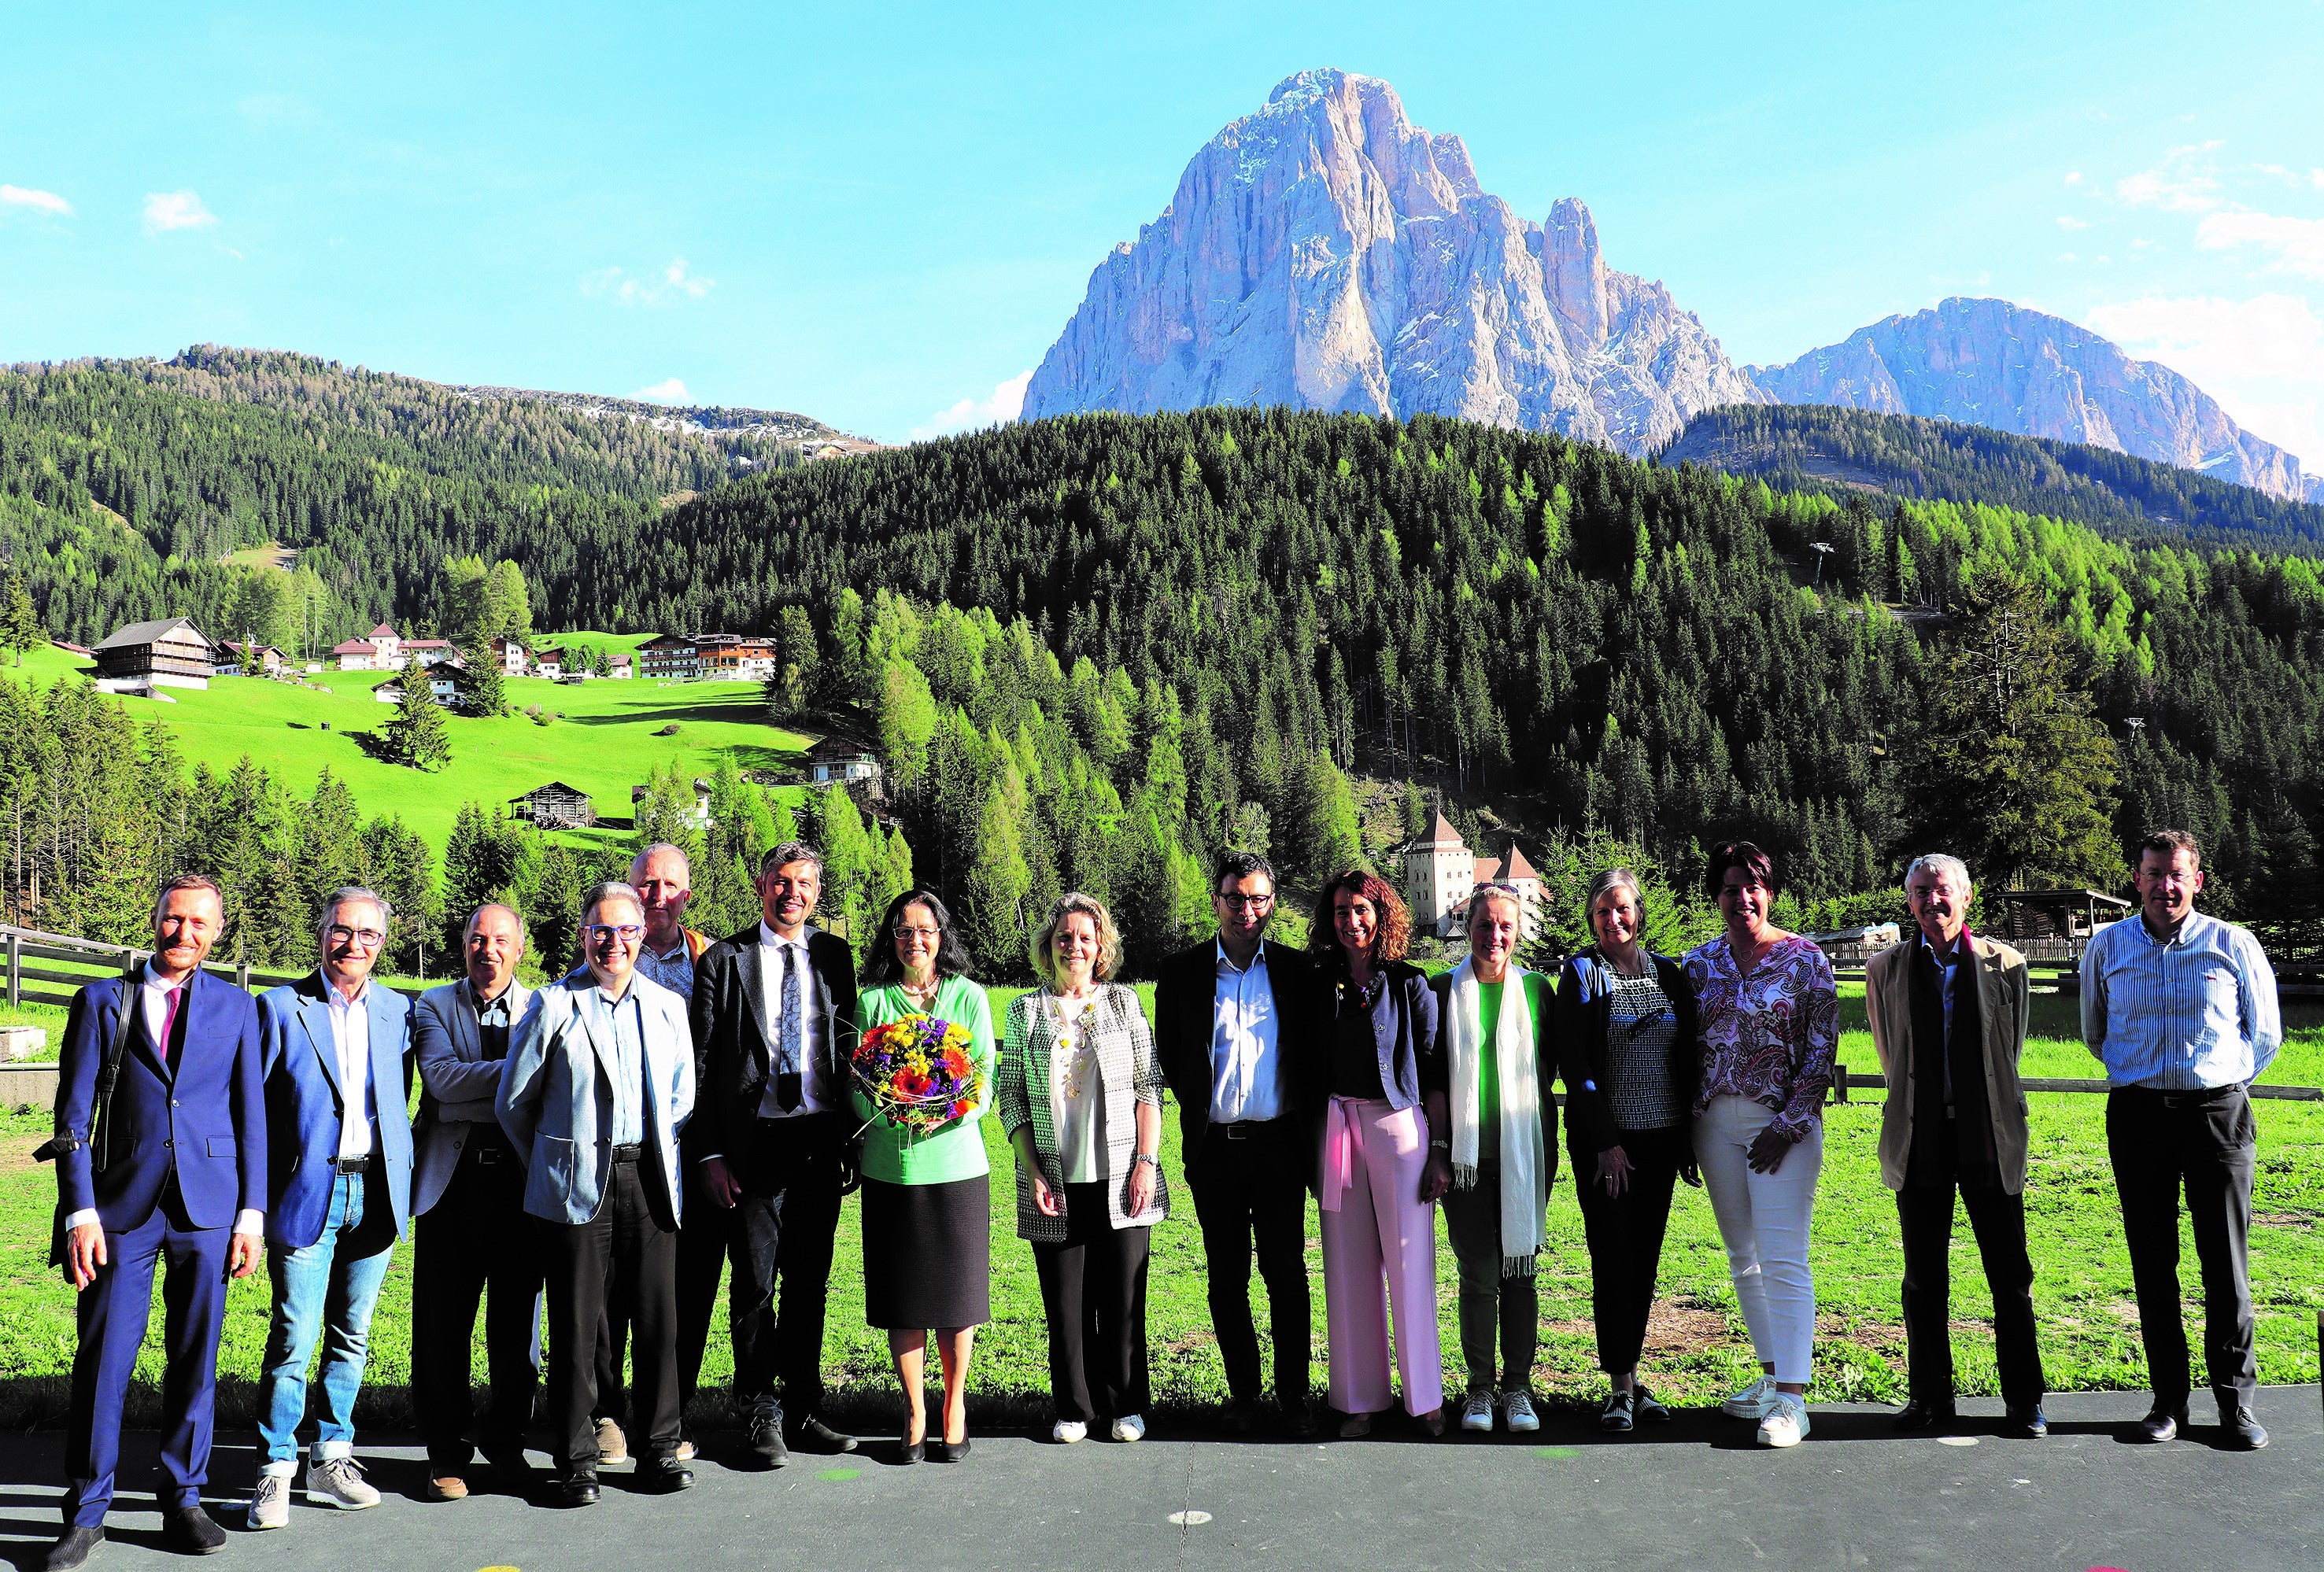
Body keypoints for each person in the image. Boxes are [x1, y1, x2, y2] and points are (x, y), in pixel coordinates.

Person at [43, 873, 264, 1570]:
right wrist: (80, 1210)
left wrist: (250, 1215)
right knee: (105, 1359)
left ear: (217, 933)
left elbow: (251, 1118)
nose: (184, 934)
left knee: (195, 1359)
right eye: (174, 919)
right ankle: (85, 1512)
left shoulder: (236, 1007)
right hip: (119, 1209)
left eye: (200, 924)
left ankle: (182, 1498)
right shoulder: (102, 1001)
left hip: (208, 1208)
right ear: (155, 918)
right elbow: (73, 1117)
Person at [498, 882, 696, 1505]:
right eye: (600, 931)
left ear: (642, 934)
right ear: (584, 935)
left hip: (651, 1180)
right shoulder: (554, 1005)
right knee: (578, 1326)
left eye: (626, 930)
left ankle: (660, 1449)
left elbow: (681, 1097)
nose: (614, 942)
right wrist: (553, 1164)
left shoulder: (667, 1006)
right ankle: (576, 1457)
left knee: (658, 1322)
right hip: (575, 1185)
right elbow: (514, 1101)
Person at [2082, 828, 2279, 1449]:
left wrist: (2218, 1084)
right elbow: (2093, 1029)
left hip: (2215, 1117)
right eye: (2152, 872)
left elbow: (2265, 1033)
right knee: (2152, 1263)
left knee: (2224, 1264)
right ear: (2135, 879)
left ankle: (2234, 1405)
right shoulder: (2106, 946)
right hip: (2138, 1116)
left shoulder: (2232, 943)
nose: (2164, 885)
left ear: (2196, 881)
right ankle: (2168, 1403)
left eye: (2176, 874)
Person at [685, 842, 860, 1465]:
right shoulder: (725, 961)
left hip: (817, 1143)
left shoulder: (835, 957)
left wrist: (853, 1139)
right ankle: (759, 1407)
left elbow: (851, 1050)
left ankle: (805, 1406)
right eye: (781, 882)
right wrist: (708, 1154)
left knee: (808, 1282)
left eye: (805, 883)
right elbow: (700, 1067)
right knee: (754, 1283)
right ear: (761, 886)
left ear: (817, 891)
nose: (793, 893)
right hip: (751, 1145)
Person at [249, 887, 416, 1527]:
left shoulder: (399, 1012)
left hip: (374, 1193)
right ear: (320, 932)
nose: (354, 945)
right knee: (294, 1337)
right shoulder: (279, 1008)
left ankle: (332, 1457)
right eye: (342, 931)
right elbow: (255, 1112)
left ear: (383, 942)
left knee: (353, 1335)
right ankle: (274, 1469)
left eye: (369, 935)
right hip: (303, 1194)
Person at [1865, 854, 2047, 1437]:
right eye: (1919, 892)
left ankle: (2024, 1403)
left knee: (2009, 1275)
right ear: (1909, 900)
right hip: (1919, 1136)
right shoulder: (1885, 969)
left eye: (1940, 891)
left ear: (1965, 897)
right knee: (1923, 1277)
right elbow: (1891, 1055)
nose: (1930, 902)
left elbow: (2007, 1054)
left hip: (1987, 1134)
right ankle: (1929, 1401)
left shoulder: (2005, 965)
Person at [1153, 851, 1317, 1437]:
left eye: (1258, 899)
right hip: (1214, 1148)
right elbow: (1172, 1056)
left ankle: (1293, 1396)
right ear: (1215, 900)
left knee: (1285, 1274)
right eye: (1234, 898)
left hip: (1279, 1148)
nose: (1246, 910)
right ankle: (1244, 1394)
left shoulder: (1299, 973)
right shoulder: (1181, 972)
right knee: (1226, 1277)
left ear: (1271, 902)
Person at [996, 893, 1168, 1445]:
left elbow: (1149, 1089)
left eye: (1086, 938)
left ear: (1102, 947)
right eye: (1064, 937)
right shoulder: (1024, 1010)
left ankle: (1125, 1405)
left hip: (1122, 1178)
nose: (1075, 946)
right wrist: (1035, 1171)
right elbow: (1013, 1100)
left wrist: (1146, 1163)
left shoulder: (1124, 1003)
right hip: (1054, 1182)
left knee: (1122, 1302)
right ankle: (1074, 1407)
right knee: (1066, 1307)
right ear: (1048, 946)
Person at [1683, 841, 1835, 1450]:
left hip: (1783, 1128)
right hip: (1713, 1125)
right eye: (1728, 887)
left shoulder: (1805, 960)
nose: (1741, 897)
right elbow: (1685, 1051)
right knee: (1742, 1257)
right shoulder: (1699, 965)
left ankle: (1793, 1403)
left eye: (1752, 885)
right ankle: (1772, 1379)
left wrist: (1788, 1124)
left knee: (1782, 1258)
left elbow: (1821, 1050)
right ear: (1714, 897)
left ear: (1768, 891)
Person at [1553, 867, 1700, 1434]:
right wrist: (1606, 1143)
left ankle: (1633, 1380)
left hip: (1660, 1143)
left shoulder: (1667, 974)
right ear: (1591, 920)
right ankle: (1618, 1388)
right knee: (1612, 1261)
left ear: (1637, 913)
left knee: (1643, 1264)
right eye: (1601, 912)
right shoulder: (1583, 974)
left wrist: (1685, 1141)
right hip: (1606, 1149)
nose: (1613, 920)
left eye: (1622, 909)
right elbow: (1576, 1066)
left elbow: (1684, 1057)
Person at [851, 889, 996, 1463]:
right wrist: (889, 1112)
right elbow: (857, 1089)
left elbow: (980, 1079)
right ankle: (913, 1408)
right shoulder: (873, 1002)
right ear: (892, 938)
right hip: (892, 1165)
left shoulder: (969, 997)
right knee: (902, 1295)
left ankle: (953, 1406)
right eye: (904, 930)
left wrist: (945, 1110)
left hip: (957, 1165)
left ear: (942, 935)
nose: (916, 940)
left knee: (957, 1296)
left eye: (926, 929)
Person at [410, 903, 544, 1500]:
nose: (487, 950)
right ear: (463, 945)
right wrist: (520, 1075)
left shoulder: (545, 1007)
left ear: (520, 949)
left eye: (500, 941)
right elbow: (438, 1083)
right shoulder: (433, 1005)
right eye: (476, 939)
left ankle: (507, 1439)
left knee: (518, 1325)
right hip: (451, 1184)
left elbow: (550, 1090)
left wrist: (472, 1084)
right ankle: (446, 1451)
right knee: (443, 1327)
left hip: (521, 1184)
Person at [1309, 868, 1446, 1440]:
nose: (1351, 921)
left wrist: (1438, 1150)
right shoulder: (1316, 984)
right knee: (1347, 1268)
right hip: (1338, 1126)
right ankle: (1359, 1399)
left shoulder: (1411, 984)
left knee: (1410, 1264)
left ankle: (1424, 1402)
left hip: (1398, 1129)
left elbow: (1436, 1074)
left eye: (1361, 909)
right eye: (1341, 911)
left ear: (1381, 915)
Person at [593, 842, 711, 1467]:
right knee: (609, 1286)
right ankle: (607, 1411)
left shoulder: (710, 960)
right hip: (613, 1150)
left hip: (692, 1146)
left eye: (669, 886)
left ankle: (671, 1410)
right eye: (647, 885)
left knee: (677, 1291)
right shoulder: (600, 961)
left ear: (686, 894)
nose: (657, 895)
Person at [1429, 883, 1554, 1435]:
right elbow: (1431, 1080)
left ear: (1518, 929)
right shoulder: (1439, 992)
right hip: (1465, 1161)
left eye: (1505, 925)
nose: (1494, 935)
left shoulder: (1537, 993)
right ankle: (1479, 1388)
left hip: (1525, 1153)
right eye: (1485, 924)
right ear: (1467, 926)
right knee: (1478, 1273)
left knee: (1519, 1272)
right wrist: (1438, 1150)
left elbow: (1549, 1073)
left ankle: (1518, 1388)